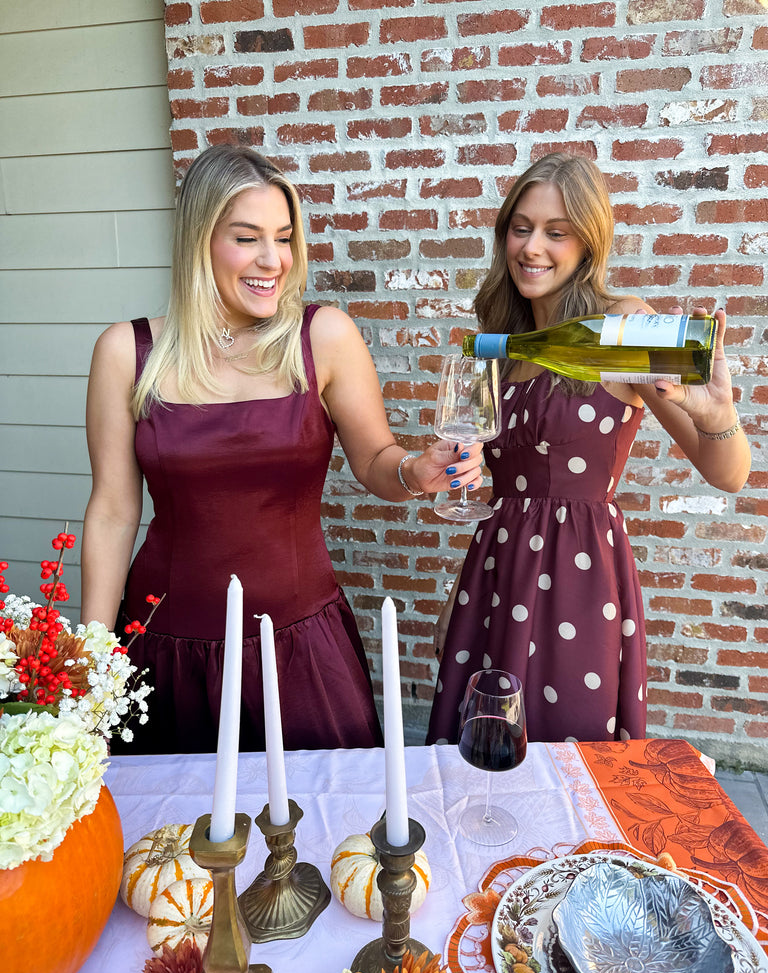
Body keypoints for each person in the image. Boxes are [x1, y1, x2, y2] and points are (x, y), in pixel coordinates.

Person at [81, 144, 483, 754]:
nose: (273, 260)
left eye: (284, 238)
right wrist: (92, 656)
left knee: (320, 809)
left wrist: (416, 470)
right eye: (247, 238)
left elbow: (377, 461)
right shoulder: (125, 352)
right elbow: (113, 511)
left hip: (301, 648)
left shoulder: (324, 336)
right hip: (162, 650)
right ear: (198, 242)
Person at [427, 152, 751, 746]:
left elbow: (728, 474)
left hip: (579, 578)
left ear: (588, 243)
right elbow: (491, 490)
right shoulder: (499, 342)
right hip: (494, 572)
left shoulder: (620, 327)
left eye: (557, 232)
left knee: (570, 749)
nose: (532, 248)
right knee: (483, 750)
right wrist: (458, 595)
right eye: (521, 228)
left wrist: (718, 415)